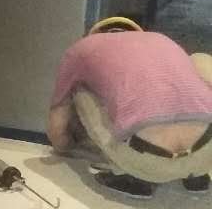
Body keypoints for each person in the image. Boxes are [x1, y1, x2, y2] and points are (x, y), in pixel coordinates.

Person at [47, 26, 212, 197]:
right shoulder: (161, 39)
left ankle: (133, 176)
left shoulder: (81, 49)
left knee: (79, 89)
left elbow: (57, 131)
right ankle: (196, 175)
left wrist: (66, 148)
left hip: (147, 161)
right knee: (199, 60)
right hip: (207, 156)